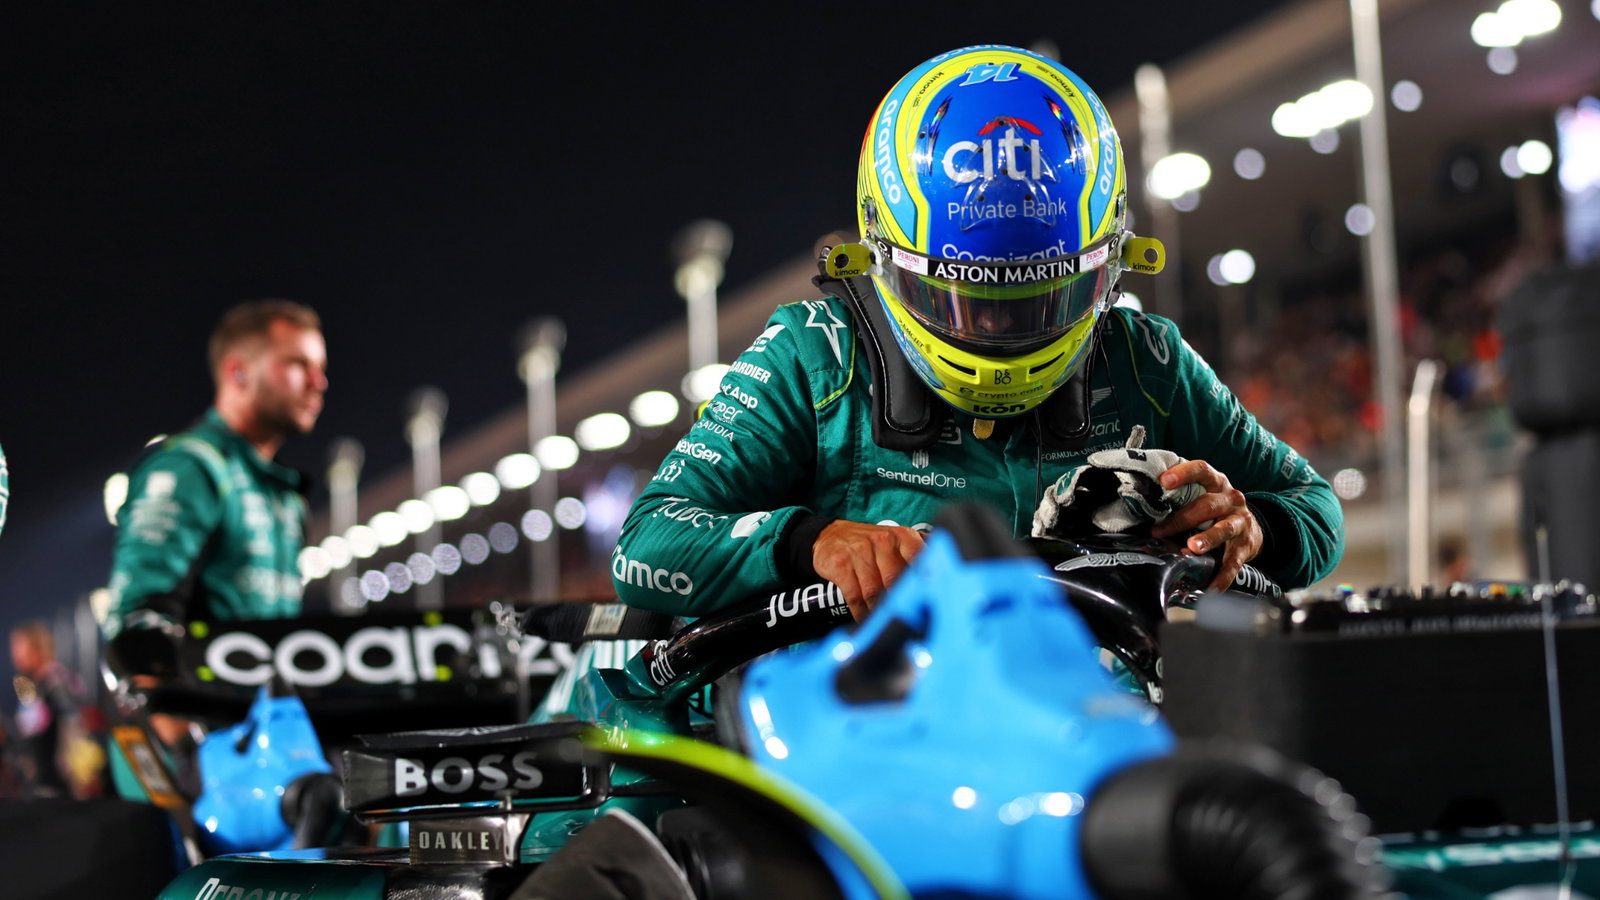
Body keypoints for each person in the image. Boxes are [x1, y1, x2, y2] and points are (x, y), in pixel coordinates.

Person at [611, 45, 1343, 623]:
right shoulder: (814, 353)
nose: (997, 331)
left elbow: (1316, 510)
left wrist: (1254, 530)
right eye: (959, 300)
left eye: (1041, 301)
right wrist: (813, 544)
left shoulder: (1148, 359)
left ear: (1111, 265)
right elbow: (646, 546)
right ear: (877, 254)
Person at [104, 299, 328, 647]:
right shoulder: (191, 467)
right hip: (207, 701)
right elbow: (138, 627)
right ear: (236, 372)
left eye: (320, 367)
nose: (319, 381)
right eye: (298, 364)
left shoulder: (285, 494)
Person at [9, 620, 107, 798]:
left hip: (66, 788)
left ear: (37, 647)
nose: (14, 653)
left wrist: (86, 775)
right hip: (46, 784)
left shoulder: (57, 682)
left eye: (18, 645)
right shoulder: (32, 686)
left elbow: (78, 729)